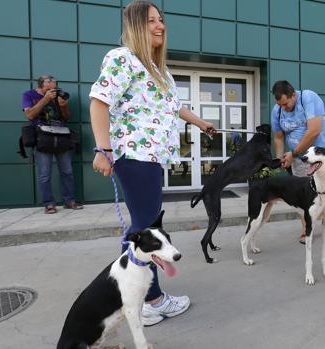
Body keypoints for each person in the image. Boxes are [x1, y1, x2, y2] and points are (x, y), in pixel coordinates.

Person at [89, 1, 215, 326]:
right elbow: (99, 102)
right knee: (146, 230)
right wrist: (103, 149)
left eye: (161, 20)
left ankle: (138, 297)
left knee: (142, 228)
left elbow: (175, 108)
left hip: (152, 160)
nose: (160, 26)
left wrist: (201, 123)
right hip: (135, 158)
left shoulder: (158, 70)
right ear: (134, 25)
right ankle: (149, 300)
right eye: (151, 22)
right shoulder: (123, 58)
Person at [271, 80, 325, 244]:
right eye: (280, 105)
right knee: (303, 192)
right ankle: (306, 227)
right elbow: (278, 137)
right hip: (300, 158)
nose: (283, 108)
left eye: (286, 104)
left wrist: (293, 153)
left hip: (324, 151)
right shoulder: (277, 110)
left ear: (294, 95)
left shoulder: (308, 98)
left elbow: (314, 131)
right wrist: (280, 159)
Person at [22, 74, 83, 214]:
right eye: (50, 81)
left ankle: (69, 201)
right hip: (42, 137)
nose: (54, 83)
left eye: (55, 80)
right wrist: (45, 99)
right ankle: (49, 203)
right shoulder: (28, 95)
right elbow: (30, 115)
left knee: (67, 171)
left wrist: (63, 105)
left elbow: (67, 117)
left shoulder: (59, 95)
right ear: (42, 83)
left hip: (61, 136)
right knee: (44, 174)